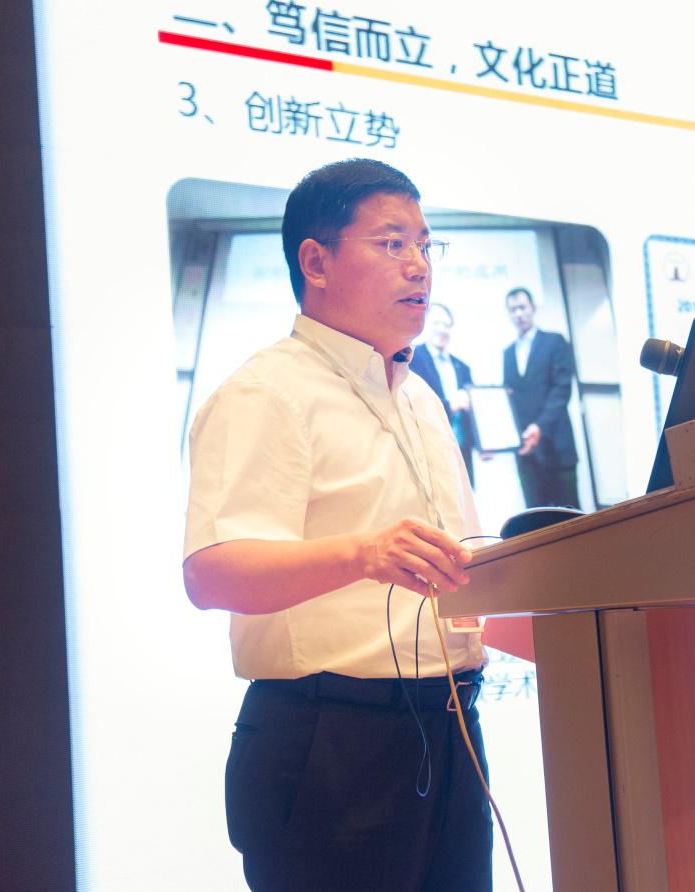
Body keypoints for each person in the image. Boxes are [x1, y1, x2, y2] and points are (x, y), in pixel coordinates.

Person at [182, 159, 492, 891]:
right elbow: (211, 573)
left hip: (451, 727)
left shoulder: (419, 398)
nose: (419, 265)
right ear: (315, 262)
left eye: (426, 245)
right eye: (392, 244)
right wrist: (363, 553)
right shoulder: (267, 392)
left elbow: (461, 569)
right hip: (332, 742)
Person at [502, 286, 580, 508]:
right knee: (536, 517)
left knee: (570, 516)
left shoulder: (555, 342)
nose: (519, 314)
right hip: (526, 452)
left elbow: (562, 390)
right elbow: (510, 399)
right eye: (513, 309)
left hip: (557, 447)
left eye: (522, 307)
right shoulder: (508, 353)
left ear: (533, 308)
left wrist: (539, 426)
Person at [411, 302, 477, 484]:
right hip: (429, 452)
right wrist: (450, 406)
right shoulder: (412, 360)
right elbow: (413, 405)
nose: (442, 329)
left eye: (447, 325)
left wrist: (482, 443)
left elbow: (472, 413)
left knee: (465, 498)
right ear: (426, 323)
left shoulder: (463, 367)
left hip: (462, 453)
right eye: (437, 323)